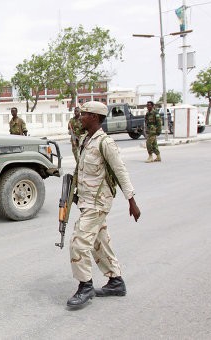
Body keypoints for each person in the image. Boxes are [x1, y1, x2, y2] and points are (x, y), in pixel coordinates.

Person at [67, 101, 141, 308]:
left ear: (94, 117)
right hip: (86, 200)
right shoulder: (85, 140)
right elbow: (83, 172)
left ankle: (85, 286)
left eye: (84, 114)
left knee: (78, 242)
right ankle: (116, 282)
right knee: (100, 242)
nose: (80, 117)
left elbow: (120, 172)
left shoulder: (105, 143)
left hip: (98, 203)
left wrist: (131, 201)